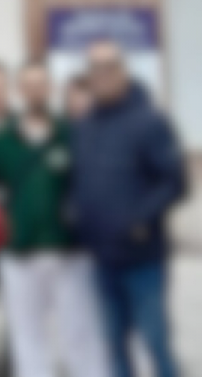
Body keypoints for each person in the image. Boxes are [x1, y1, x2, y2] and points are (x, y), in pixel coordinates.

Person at [68, 41, 186, 377]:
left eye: (108, 68)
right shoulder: (86, 125)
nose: (101, 77)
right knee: (113, 344)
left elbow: (173, 181)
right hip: (101, 256)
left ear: (122, 72)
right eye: (95, 70)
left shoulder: (148, 122)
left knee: (155, 341)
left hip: (141, 256)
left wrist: (139, 220)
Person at [0, 61, 109, 377]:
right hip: (20, 252)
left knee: (79, 334)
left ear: (50, 89)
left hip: (69, 250)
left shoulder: (73, 136)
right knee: (29, 336)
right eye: (28, 85)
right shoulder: (2, 141)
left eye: (41, 84)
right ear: (21, 90)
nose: (35, 91)